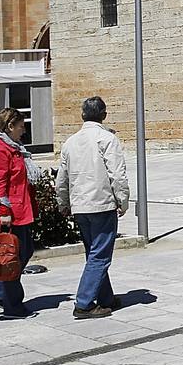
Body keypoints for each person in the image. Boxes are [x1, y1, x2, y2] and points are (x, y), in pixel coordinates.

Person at [55, 97, 130, 320]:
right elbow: (117, 174)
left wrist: (63, 202)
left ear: (82, 115)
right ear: (104, 115)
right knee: (100, 255)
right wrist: (123, 200)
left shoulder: (70, 142)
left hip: (80, 205)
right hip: (101, 203)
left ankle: (106, 297)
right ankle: (84, 303)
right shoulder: (107, 139)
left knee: (94, 253)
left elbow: (62, 178)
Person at [0, 107, 36, 318]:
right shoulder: (0, 151)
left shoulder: (14, 148)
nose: (24, 130)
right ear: (10, 126)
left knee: (25, 250)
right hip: (8, 214)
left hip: (20, 210)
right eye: (21, 126)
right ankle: (13, 306)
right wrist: (3, 210)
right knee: (12, 257)